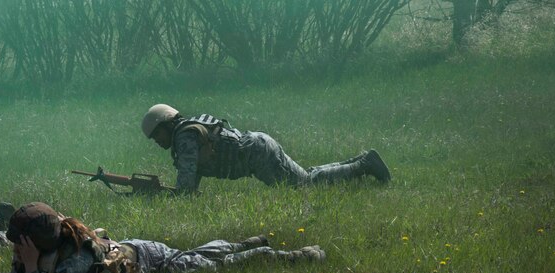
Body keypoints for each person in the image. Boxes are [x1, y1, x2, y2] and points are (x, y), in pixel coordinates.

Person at [0, 202, 325, 273]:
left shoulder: (78, 258)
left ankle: (292, 255)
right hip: (140, 251)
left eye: (20, 245)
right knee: (196, 257)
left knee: (211, 268)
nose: (16, 251)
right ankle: (248, 242)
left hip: (147, 262)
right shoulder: (41, 248)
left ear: (35, 242)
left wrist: (32, 266)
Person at [141, 104, 392, 193]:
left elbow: (185, 187)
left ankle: (364, 165)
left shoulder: (184, 138)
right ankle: (361, 160)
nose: (157, 142)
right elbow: (191, 186)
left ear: (165, 125)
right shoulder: (189, 128)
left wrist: (155, 194)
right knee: (306, 176)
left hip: (257, 154)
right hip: (258, 144)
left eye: (156, 136)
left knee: (306, 185)